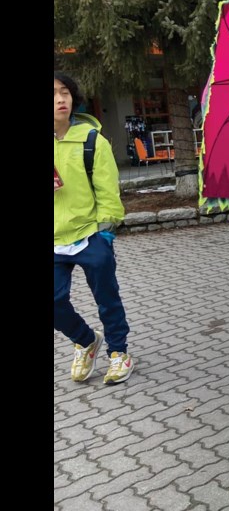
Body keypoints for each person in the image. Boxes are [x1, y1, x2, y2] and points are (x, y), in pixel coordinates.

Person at [54, 71, 134, 385]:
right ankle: (86, 341)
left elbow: (107, 190)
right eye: (54, 94)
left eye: (64, 92)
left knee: (107, 298)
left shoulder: (90, 140)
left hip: (90, 235)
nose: (60, 99)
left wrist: (104, 232)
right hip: (55, 240)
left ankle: (119, 353)